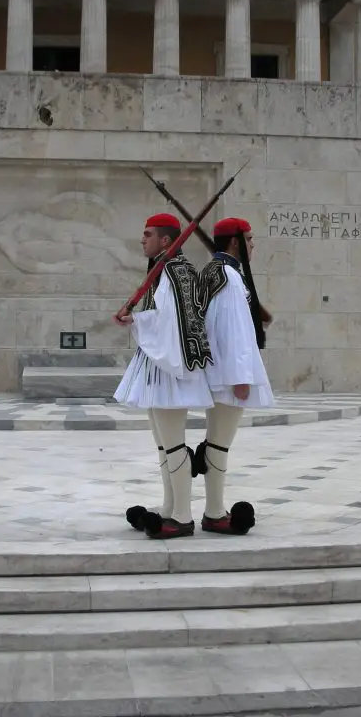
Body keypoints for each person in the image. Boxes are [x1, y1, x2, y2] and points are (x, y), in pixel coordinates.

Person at [114, 213, 214, 540]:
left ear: (166, 240)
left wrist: (137, 322)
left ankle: (183, 517)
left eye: (148, 234)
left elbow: (173, 324)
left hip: (170, 368)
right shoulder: (166, 269)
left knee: (173, 446)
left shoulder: (175, 272)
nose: (142, 240)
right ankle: (170, 506)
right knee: (163, 446)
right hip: (159, 367)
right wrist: (137, 320)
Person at [194, 217, 275, 536]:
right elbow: (234, 331)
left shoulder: (215, 272)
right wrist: (241, 377)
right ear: (234, 242)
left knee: (216, 442)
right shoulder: (228, 275)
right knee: (220, 445)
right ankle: (214, 513)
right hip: (228, 375)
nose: (253, 245)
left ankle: (210, 507)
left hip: (218, 371)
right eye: (250, 239)